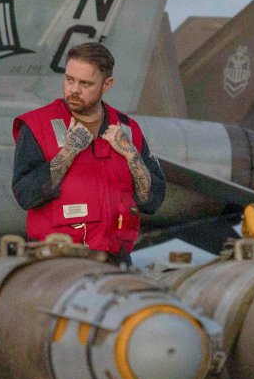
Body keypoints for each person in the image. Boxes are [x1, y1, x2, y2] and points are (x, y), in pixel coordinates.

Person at [11, 42, 166, 264]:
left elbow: (152, 201)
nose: (73, 89)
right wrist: (69, 151)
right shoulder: (38, 126)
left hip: (115, 264)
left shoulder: (128, 129)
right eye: (69, 79)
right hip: (57, 264)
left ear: (107, 85)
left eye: (85, 83)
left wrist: (132, 155)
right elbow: (25, 195)